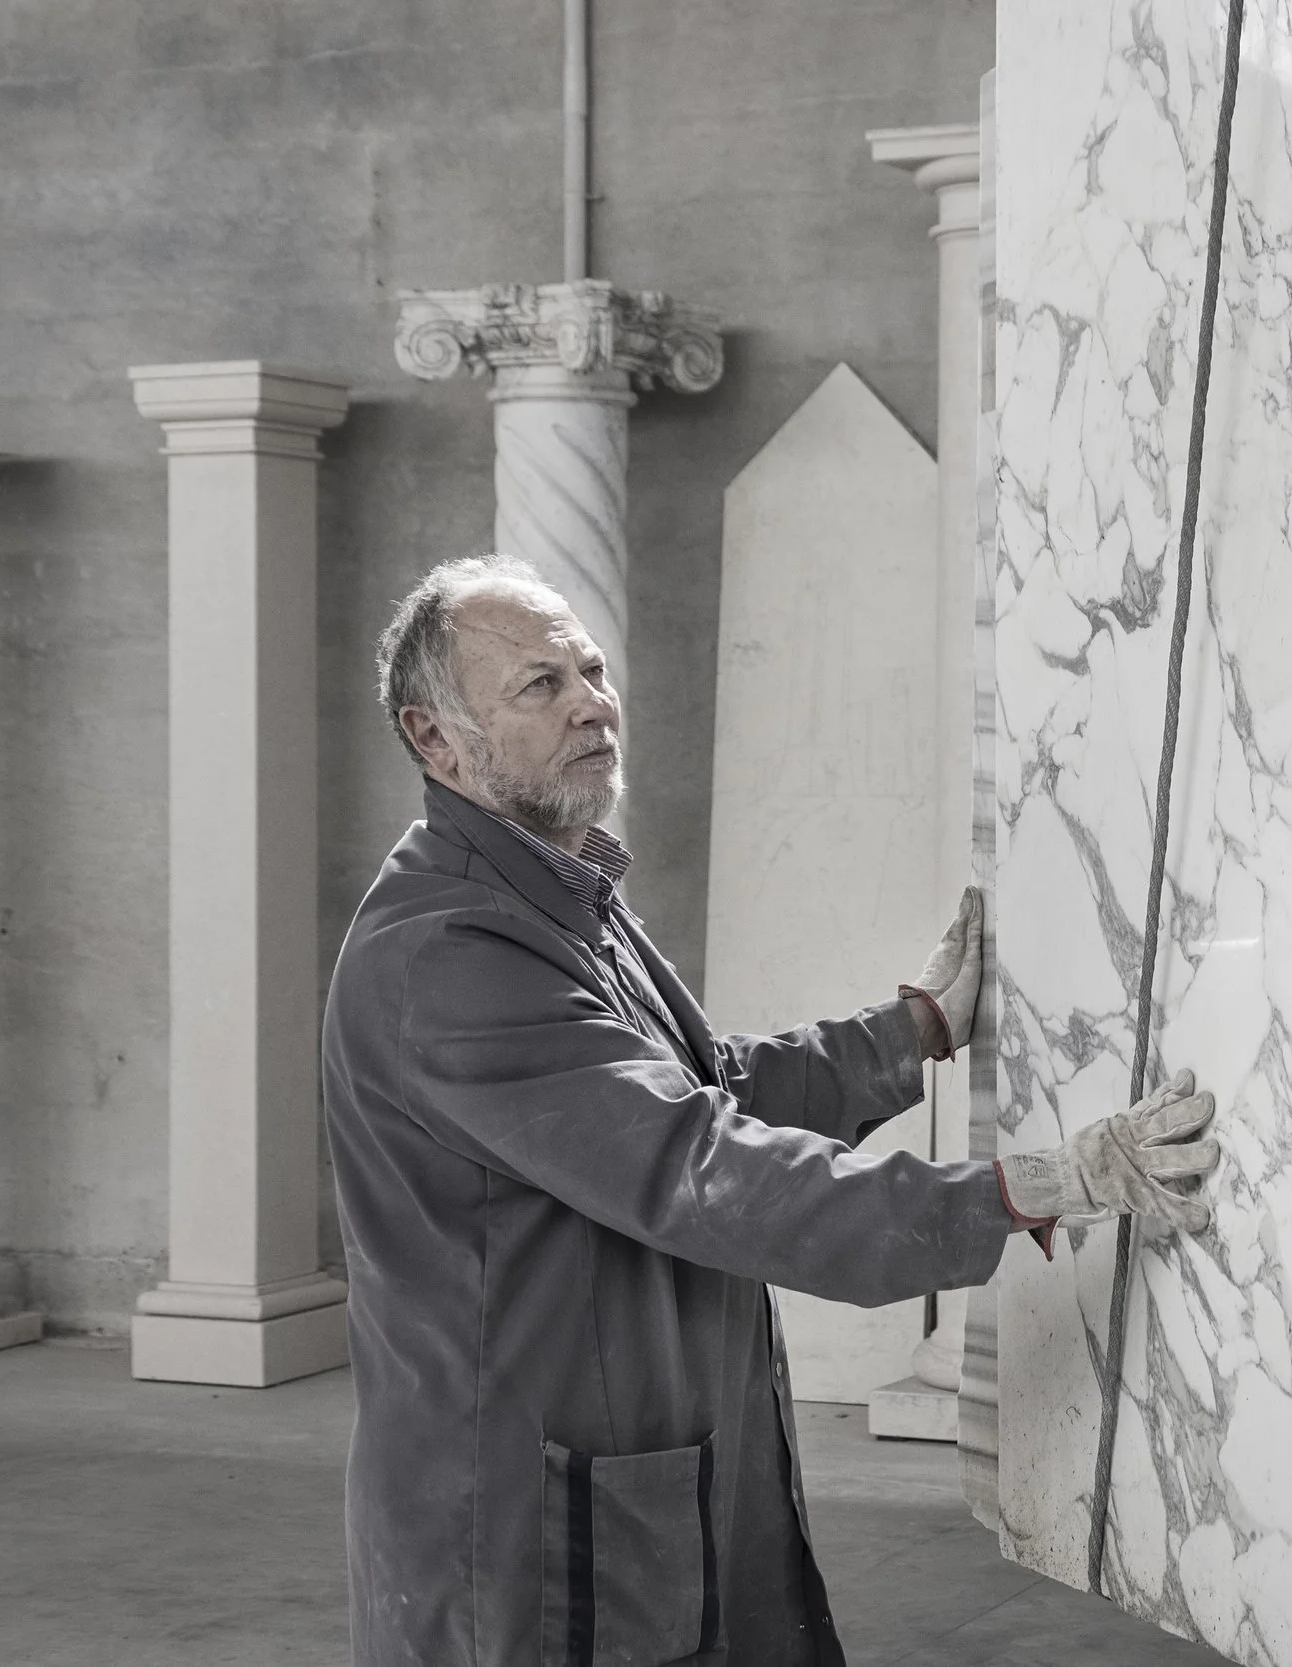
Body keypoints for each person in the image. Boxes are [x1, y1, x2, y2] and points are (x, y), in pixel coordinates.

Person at [323, 556, 1220, 1667]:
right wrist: (1038, 1185)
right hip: (524, 1527)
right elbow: (701, 1165)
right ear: (435, 739)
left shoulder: (550, 893)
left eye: (591, 669)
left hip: (634, 1470)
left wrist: (915, 1029)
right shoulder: (449, 951)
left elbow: (704, 1090)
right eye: (539, 685)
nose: (591, 703)